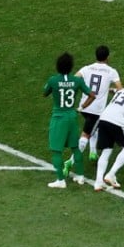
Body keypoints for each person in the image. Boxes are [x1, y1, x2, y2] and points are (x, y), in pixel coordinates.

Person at [42, 52, 95, 189]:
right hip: (72, 116)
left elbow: (44, 93)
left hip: (59, 117)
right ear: (71, 67)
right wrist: (82, 107)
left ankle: (60, 180)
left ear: (58, 66)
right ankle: (81, 176)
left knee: (56, 150)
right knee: (75, 147)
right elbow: (91, 95)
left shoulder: (53, 80)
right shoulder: (77, 81)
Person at [73, 44, 122, 168]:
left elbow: (74, 79)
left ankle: (93, 153)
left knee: (94, 127)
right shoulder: (111, 71)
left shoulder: (87, 68)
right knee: (86, 134)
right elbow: (120, 90)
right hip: (96, 110)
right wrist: (111, 90)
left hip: (84, 107)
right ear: (108, 57)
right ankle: (71, 161)